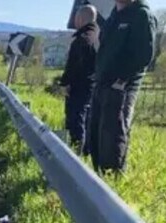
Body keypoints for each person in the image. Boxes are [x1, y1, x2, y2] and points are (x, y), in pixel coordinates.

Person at [85, 0, 157, 172]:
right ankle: (97, 181)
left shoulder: (141, 15)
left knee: (112, 138)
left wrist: (121, 81)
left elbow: (144, 55)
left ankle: (112, 186)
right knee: (95, 137)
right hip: (102, 84)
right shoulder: (113, 16)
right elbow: (105, 49)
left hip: (120, 89)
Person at [59, 5, 99, 150]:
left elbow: (73, 66)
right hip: (94, 86)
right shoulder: (98, 36)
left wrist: (65, 83)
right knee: (87, 118)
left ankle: (76, 152)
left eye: (76, 18)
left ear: (81, 18)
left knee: (76, 120)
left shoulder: (82, 39)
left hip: (78, 88)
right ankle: (86, 150)